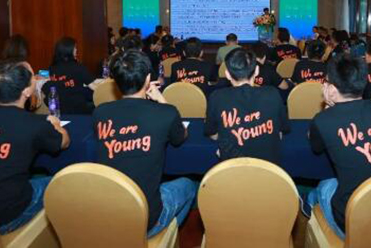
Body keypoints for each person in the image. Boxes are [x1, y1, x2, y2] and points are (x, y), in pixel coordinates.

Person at [0, 59, 69, 234]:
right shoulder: (33, 125)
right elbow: (64, 142)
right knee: (64, 184)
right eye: (32, 77)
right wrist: (55, 124)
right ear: (27, 90)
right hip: (6, 214)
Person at [93, 50, 195, 237]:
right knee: (189, 186)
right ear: (148, 78)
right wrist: (161, 99)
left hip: (107, 215)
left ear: (115, 81)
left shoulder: (100, 112)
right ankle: (164, 234)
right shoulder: (166, 112)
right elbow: (180, 136)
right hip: (146, 219)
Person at [307, 55, 371, 239]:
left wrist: (328, 109)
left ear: (332, 89)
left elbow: (315, 146)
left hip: (356, 224)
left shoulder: (323, 120)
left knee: (324, 186)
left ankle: (309, 209)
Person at [205, 48, 290, 164]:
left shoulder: (217, 97)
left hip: (231, 169)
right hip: (269, 170)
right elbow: (282, 130)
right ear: (256, 71)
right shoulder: (273, 94)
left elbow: (212, 134)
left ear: (227, 75)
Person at [45, 37, 100, 115]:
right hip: (78, 109)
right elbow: (94, 87)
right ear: (69, 50)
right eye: (75, 48)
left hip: (59, 110)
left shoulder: (52, 68)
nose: (76, 50)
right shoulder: (78, 67)